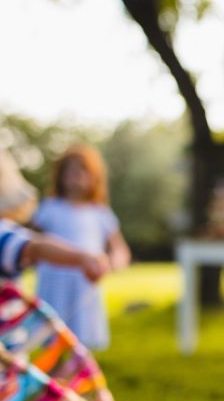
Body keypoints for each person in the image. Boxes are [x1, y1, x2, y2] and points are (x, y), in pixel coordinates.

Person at [31, 145, 130, 350]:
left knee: (82, 346)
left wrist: (110, 264)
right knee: (53, 341)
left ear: (94, 176)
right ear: (60, 175)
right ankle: (53, 379)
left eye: (81, 170)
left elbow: (119, 249)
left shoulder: (100, 212)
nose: (75, 176)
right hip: (54, 282)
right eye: (69, 170)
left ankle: (76, 379)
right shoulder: (50, 208)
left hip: (85, 285)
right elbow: (30, 241)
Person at [0, 149, 109, 282]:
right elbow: (36, 247)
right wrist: (83, 258)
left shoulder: (99, 211)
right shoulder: (50, 208)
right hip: (58, 279)